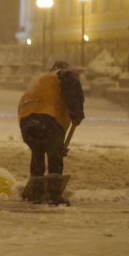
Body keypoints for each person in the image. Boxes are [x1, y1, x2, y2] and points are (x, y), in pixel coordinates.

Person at [18, 61, 84, 206]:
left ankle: (37, 193)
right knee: (55, 156)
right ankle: (53, 195)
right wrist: (77, 113)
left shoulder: (42, 79)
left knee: (38, 152)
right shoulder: (64, 74)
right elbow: (73, 88)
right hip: (48, 117)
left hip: (26, 120)